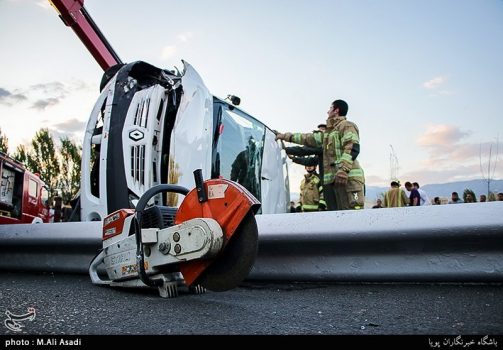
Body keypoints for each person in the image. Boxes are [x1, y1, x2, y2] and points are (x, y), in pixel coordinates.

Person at [275, 99, 365, 211]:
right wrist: (284, 136)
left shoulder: (347, 126)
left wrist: (343, 170)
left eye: (330, 109)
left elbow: (352, 147)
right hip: (334, 182)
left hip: (348, 180)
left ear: (336, 110)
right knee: (338, 218)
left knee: (353, 214)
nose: (328, 112)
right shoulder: (327, 134)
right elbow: (307, 138)